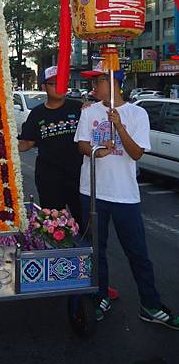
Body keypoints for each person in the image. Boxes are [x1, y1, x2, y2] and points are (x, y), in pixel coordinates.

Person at [75, 62, 179, 329]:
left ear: (113, 83)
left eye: (98, 81)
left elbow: (136, 153)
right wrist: (98, 151)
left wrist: (119, 126)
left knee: (138, 252)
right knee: (97, 250)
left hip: (125, 195)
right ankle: (99, 298)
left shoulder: (137, 114)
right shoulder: (89, 111)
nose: (93, 86)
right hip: (93, 191)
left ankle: (150, 304)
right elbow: (83, 145)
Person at [18, 65, 83, 226]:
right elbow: (26, 143)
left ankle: (89, 252)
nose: (59, 88)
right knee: (53, 226)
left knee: (85, 224)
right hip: (49, 179)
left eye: (62, 83)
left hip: (79, 177)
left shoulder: (80, 108)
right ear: (43, 87)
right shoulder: (37, 114)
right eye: (53, 84)